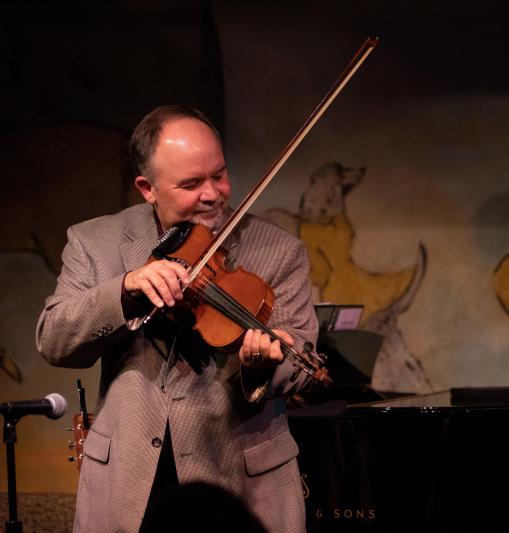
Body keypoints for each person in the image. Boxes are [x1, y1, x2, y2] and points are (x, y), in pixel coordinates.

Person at [36, 105, 318, 532]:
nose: (213, 193)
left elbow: (303, 360)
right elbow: (54, 339)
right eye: (190, 183)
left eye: (219, 174)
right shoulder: (95, 242)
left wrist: (266, 365)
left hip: (240, 485)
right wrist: (126, 289)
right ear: (147, 188)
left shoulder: (278, 250)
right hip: (128, 483)